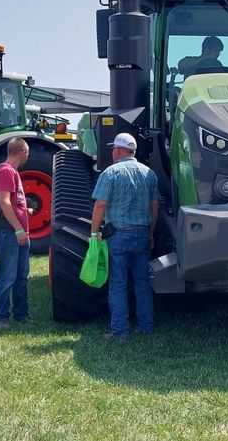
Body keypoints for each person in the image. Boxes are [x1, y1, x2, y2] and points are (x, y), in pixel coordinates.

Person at [90, 132, 160, 340]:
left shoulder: (110, 173)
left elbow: (100, 204)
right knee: (142, 283)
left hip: (118, 235)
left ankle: (120, 331)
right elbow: (155, 206)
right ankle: (146, 327)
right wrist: (151, 232)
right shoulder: (149, 173)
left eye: (113, 148)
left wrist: (94, 232)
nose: (112, 152)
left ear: (120, 150)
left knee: (118, 284)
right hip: (142, 233)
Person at [0, 137, 32, 328]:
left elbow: (13, 203)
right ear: (22, 153)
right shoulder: (6, 171)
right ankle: (1, 317)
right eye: (28, 153)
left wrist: (25, 211)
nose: (28, 156)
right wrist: (18, 229)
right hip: (9, 232)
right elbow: (4, 202)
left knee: (22, 274)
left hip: (18, 231)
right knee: (7, 275)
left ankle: (21, 313)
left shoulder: (12, 172)